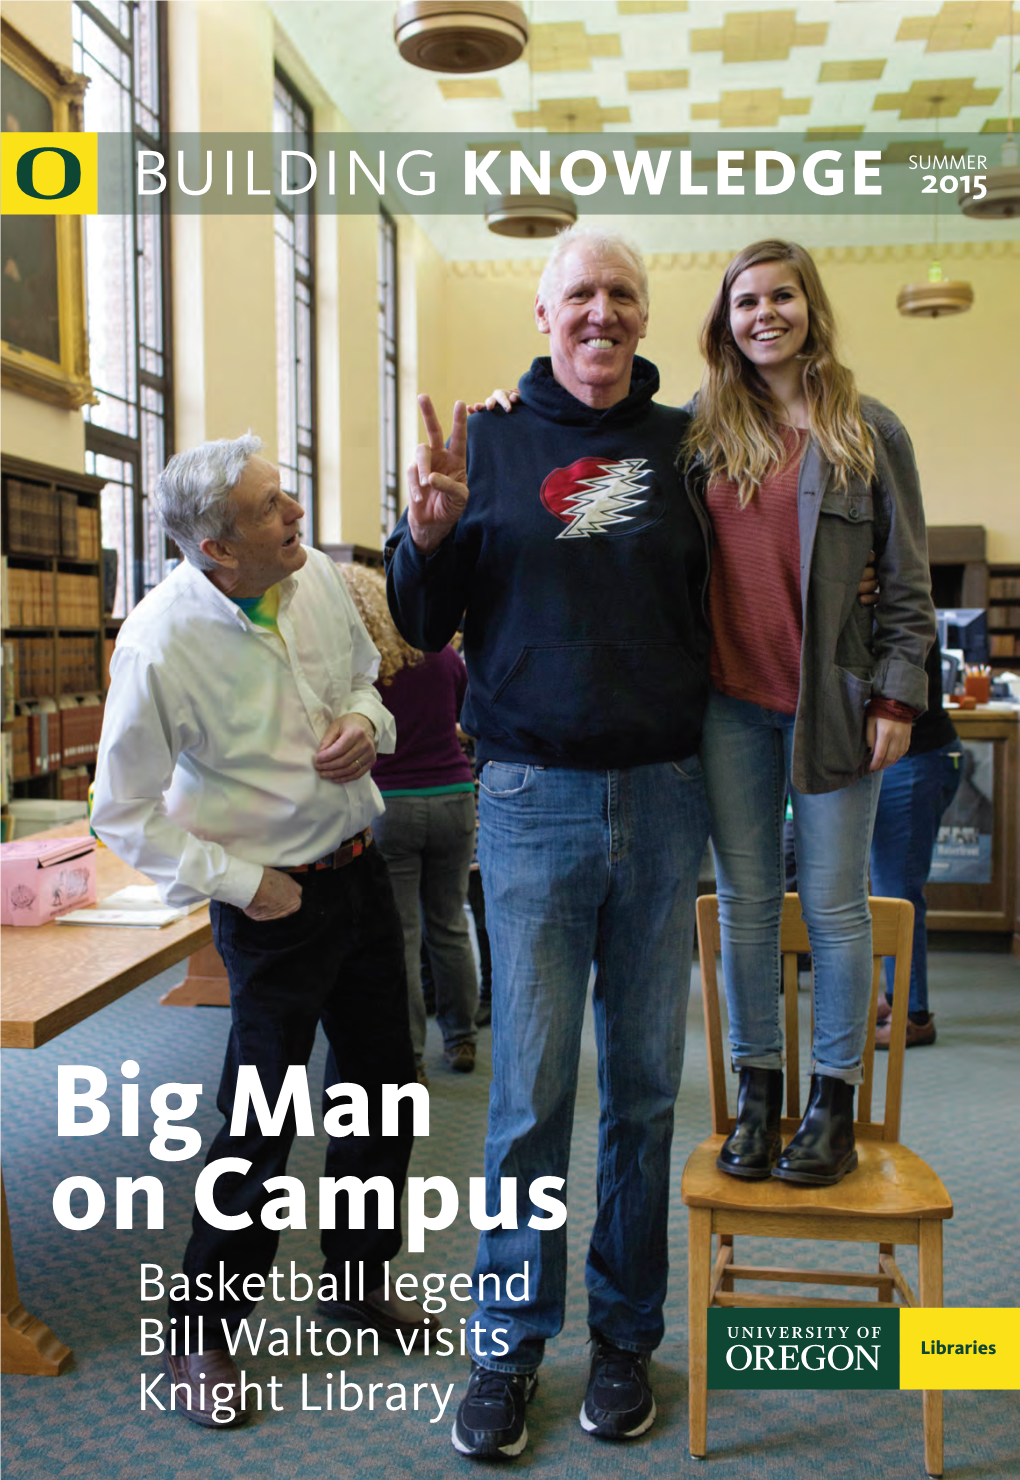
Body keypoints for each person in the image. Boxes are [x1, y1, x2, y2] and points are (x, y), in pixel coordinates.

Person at [386, 225, 712, 1459]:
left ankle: (624, 1337)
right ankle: (507, 1347)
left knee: (639, 1090)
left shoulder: (687, 448)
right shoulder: (487, 444)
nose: (602, 311)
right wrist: (425, 530)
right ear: (542, 310)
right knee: (528, 1096)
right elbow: (423, 623)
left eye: (624, 293)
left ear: (644, 315)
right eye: (580, 292)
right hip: (529, 805)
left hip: (665, 795)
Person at [91, 436, 424, 1429]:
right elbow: (124, 812)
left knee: (383, 1093)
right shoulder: (158, 642)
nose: (296, 514)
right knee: (258, 1126)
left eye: (286, 495)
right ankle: (204, 1330)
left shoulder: (311, 574)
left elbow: (369, 680)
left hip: (359, 877)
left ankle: (356, 1279)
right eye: (271, 506)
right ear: (213, 549)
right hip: (270, 904)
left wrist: (372, 724)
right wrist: (243, 883)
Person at [685, 240, 935, 1187]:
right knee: (745, 908)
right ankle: (759, 1093)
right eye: (745, 301)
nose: (763, 315)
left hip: (829, 705)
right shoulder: (704, 436)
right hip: (728, 705)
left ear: (809, 307)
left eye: (780, 296)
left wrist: (898, 696)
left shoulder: (869, 432)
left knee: (833, 908)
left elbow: (905, 584)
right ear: (726, 321)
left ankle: (832, 1103)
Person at [339, 561, 479, 1083]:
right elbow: (467, 717)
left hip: (391, 806)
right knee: (449, 924)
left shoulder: (360, 670)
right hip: (453, 799)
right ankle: (462, 1038)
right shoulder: (443, 656)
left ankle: (410, 1056)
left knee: (402, 935)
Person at [870, 640, 960, 1049]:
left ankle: (915, 1016)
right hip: (903, 760)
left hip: (915, 760)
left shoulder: (901, 594)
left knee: (899, 894)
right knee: (889, 887)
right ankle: (896, 997)